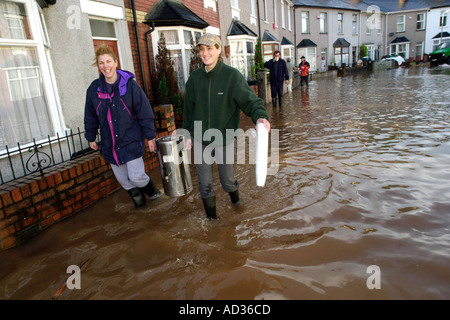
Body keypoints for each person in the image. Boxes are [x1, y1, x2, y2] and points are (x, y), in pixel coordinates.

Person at [182, 33, 270, 220]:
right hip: (200, 138)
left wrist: (260, 117)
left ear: (219, 49)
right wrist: (188, 133)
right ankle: (212, 222)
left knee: (227, 181)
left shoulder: (232, 77)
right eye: (202, 49)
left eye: (210, 48)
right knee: (205, 184)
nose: (205, 53)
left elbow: (251, 102)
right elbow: (188, 109)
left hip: (224, 138)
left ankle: (237, 204)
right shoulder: (195, 78)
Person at [84, 44, 161, 209]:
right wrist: (91, 137)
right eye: (101, 63)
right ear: (98, 66)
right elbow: (90, 115)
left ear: (116, 62)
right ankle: (141, 208)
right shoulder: (93, 90)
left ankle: (155, 195)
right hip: (110, 145)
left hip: (131, 140)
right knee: (124, 181)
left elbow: (144, 112)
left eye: (108, 61)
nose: (106, 66)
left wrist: (150, 136)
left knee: (136, 177)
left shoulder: (130, 86)